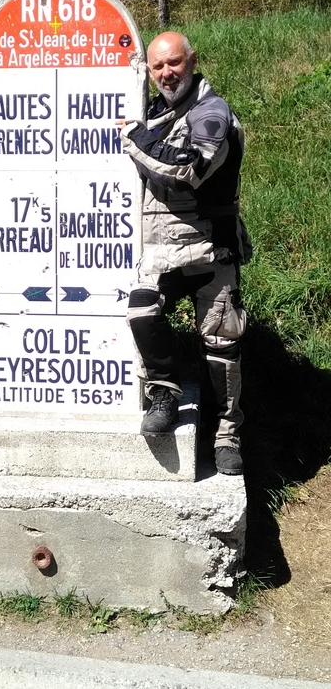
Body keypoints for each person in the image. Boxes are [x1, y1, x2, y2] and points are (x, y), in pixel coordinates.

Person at [116, 32, 252, 476]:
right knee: (141, 311)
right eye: (157, 67)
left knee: (221, 345)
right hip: (162, 251)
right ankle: (165, 392)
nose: (166, 74)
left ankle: (227, 435)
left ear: (192, 61)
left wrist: (134, 140)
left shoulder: (212, 111)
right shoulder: (158, 111)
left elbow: (187, 170)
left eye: (174, 63)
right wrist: (144, 132)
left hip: (211, 249)